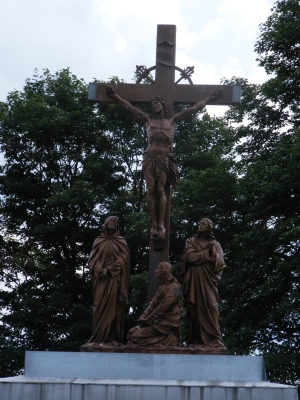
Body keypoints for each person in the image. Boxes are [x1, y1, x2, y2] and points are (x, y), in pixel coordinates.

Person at [105, 84, 223, 240]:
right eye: (152, 104)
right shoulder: (148, 119)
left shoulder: (172, 120)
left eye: (156, 103)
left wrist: (210, 97)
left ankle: (161, 224)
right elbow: (130, 108)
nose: (154, 106)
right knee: (151, 188)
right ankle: (153, 223)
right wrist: (114, 95)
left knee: (161, 189)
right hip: (149, 157)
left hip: (164, 158)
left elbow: (193, 109)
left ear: (163, 105)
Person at [181, 218, 225, 347]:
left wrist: (213, 252)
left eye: (204, 224)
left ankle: (215, 338)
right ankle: (196, 339)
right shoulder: (191, 242)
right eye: (199, 223)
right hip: (195, 279)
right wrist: (208, 253)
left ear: (210, 227)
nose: (200, 225)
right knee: (195, 307)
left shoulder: (216, 245)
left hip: (208, 280)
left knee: (211, 306)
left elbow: (221, 264)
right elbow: (190, 258)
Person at [87, 216, 130, 344]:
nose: (114, 223)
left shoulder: (121, 241)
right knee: (99, 305)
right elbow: (92, 261)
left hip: (115, 278)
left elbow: (124, 259)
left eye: (116, 222)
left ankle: (114, 338)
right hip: (102, 280)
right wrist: (100, 270)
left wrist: (110, 269)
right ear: (105, 224)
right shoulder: (98, 241)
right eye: (111, 221)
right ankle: (98, 337)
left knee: (114, 304)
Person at [127, 262, 183, 346]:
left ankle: (170, 340)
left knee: (135, 337)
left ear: (164, 271)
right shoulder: (162, 287)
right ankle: (165, 338)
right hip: (158, 320)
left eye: (158, 268)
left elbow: (163, 306)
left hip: (168, 321)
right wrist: (143, 316)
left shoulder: (174, 286)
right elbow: (153, 304)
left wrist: (149, 319)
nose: (155, 271)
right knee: (131, 333)